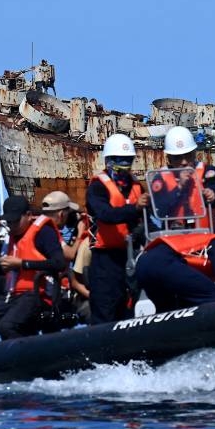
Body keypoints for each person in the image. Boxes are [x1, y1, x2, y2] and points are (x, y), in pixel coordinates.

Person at [134, 126, 215, 312]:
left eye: (188, 156)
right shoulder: (160, 179)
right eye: (178, 158)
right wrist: (180, 187)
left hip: (203, 238)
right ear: (168, 158)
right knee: (157, 262)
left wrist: (211, 193)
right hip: (174, 241)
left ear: (194, 153)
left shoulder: (208, 172)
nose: (184, 162)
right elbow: (162, 207)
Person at [0, 195, 68, 343]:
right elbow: (0, 272)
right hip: (12, 296)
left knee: (7, 326)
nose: (12, 225)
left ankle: (28, 360)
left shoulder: (43, 233)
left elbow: (59, 263)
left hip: (38, 294)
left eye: (15, 221)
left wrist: (23, 264)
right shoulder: (9, 237)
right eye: (9, 221)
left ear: (28, 215)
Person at [85, 133, 147, 324]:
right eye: (120, 160)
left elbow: (147, 220)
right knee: (106, 307)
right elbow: (105, 214)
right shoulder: (97, 187)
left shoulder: (137, 186)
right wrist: (134, 209)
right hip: (106, 259)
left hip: (132, 255)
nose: (124, 165)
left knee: (133, 304)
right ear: (109, 160)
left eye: (128, 160)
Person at [39, 190, 91, 322]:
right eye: (69, 213)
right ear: (61, 214)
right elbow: (69, 254)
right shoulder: (49, 232)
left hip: (44, 289)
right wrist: (80, 233)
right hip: (55, 294)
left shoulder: (41, 227)